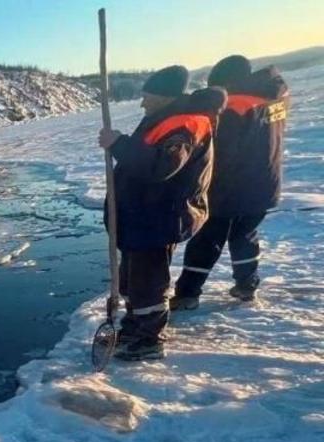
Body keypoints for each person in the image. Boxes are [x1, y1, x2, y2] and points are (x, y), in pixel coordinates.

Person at [98, 66, 226, 361]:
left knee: (148, 282)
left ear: (164, 97)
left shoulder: (185, 126)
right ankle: (134, 326)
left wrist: (118, 144)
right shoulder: (166, 119)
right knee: (132, 279)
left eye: (147, 97)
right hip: (143, 215)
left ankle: (149, 341)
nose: (142, 103)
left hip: (158, 217)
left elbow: (160, 167)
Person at [171, 55, 289, 308]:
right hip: (265, 182)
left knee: (206, 237)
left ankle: (187, 294)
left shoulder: (234, 105)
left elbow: (220, 148)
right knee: (244, 233)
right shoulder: (274, 96)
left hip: (231, 185)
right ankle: (247, 285)